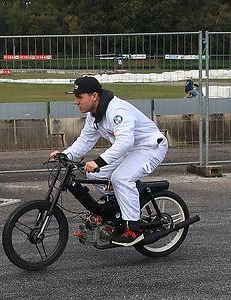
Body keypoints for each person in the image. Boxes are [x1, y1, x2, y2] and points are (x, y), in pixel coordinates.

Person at [50, 76, 168, 246]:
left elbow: (125, 141)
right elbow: (85, 140)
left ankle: (134, 230)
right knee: (94, 176)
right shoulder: (94, 115)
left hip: (149, 148)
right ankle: (116, 211)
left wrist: (99, 161)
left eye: (79, 97)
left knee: (121, 178)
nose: (76, 102)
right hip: (129, 150)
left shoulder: (116, 111)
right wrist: (66, 155)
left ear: (94, 96)